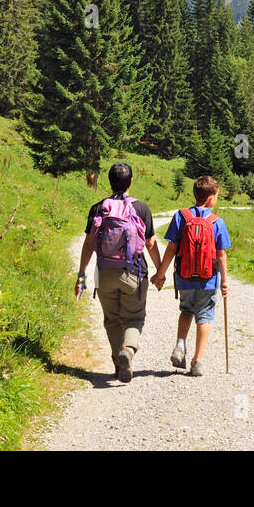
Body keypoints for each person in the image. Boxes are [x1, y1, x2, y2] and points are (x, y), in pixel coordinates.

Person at [77, 162, 162, 383]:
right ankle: (128, 351)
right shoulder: (141, 208)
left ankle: (118, 362)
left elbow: (88, 245)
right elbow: (151, 244)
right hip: (134, 273)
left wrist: (81, 273)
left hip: (105, 273)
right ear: (131, 182)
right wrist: (160, 271)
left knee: (112, 320)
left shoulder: (98, 208)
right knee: (134, 318)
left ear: (109, 182)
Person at [152, 175, 231, 377]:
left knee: (186, 309)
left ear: (195, 195)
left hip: (184, 277)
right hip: (208, 279)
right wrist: (224, 281)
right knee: (204, 316)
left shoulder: (181, 216)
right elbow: (221, 255)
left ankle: (180, 345)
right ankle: (197, 361)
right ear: (211, 198)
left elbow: (171, 249)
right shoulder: (216, 222)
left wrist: (160, 275)